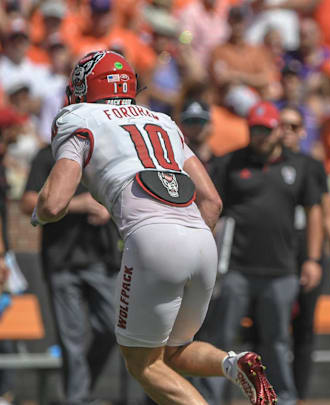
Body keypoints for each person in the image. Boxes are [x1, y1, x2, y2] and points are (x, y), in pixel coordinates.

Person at [30, 50, 276, 405]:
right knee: (173, 352)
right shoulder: (161, 120)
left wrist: (38, 214)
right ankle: (234, 362)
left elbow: (54, 203)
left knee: (142, 365)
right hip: (201, 240)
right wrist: (189, 242)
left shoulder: (79, 117)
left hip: (152, 240)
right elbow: (213, 201)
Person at [196, 101, 323, 405]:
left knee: (277, 343)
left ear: (278, 129)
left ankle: (283, 400)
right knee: (222, 342)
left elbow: (315, 213)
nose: (261, 136)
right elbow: (210, 207)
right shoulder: (230, 164)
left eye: (266, 130)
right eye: (255, 130)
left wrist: (313, 259)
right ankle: (208, 400)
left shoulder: (300, 166)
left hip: (282, 271)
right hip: (235, 270)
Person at [22, 144, 119, 405]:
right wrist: (80, 204)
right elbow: (28, 202)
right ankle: (77, 399)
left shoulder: (109, 150)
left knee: (111, 329)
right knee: (71, 339)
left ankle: (81, 389)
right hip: (61, 261)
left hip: (102, 259)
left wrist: (109, 208)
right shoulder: (47, 154)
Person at [279, 106, 330, 402]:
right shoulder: (263, 163)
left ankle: (299, 396)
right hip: (274, 256)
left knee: (304, 329)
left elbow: (328, 212)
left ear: (303, 131)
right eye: (282, 125)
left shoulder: (311, 166)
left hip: (307, 255)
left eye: (294, 126)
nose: (287, 132)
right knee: (270, 328)